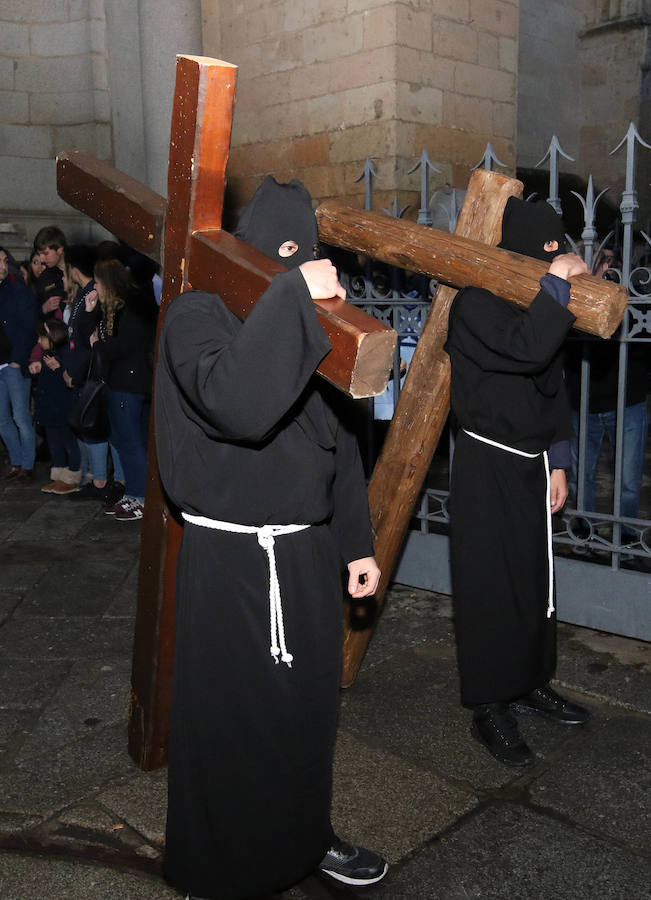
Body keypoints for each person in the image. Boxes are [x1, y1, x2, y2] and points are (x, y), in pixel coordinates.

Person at [155, 177, 387, 899]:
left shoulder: (309, 322)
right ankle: (219, 865)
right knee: (229, 720)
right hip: (229, 560)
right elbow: (239, 405)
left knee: (303, 715)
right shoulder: (195, 315)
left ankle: (304, 836)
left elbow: (340, 447)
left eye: (306, 257)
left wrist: (355, 545)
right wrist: (293, 299)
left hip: (308, 551)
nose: (300, 267)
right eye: (286, 256)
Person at [445, 197, 591, 768]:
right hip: (486, 463)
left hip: (531, 461)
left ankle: (530, 683)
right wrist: (556, 286)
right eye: (543, 253)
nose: (551, 261)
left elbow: (550, 385)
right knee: (489, 587)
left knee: (534, 583)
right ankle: (489, 707)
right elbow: (529, 351)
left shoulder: (539, 302)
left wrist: (558, 459)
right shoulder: (476, 305)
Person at [564, 246, 648, 540]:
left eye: (614, 261)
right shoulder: (576, 299)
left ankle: (624, 539)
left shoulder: (636, 301)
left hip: (628, 404)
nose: (608, 267)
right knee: (581, 478)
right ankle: (583, 535)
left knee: (628, 480)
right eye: (603, 260)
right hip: (584, 405)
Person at [90, 258, 156, 521]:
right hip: (119, 382)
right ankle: (133, 493)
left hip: (130, 384)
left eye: (97, 281)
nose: (94, 286)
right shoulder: (113, 310)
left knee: (130, 442)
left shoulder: (130, 309)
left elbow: (122, 346)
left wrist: (98, 345)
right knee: (122, 440)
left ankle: (140, 497)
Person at [29, 319, 81, 494]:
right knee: (54, 442)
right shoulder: (48, 354)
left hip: (63, 408)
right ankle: (59, 474)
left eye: (41, 337)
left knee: (68, 441)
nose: (38, 341)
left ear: (52, 337)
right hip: (49, 408)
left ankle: (72, 476)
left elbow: (71, 380)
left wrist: (60, 369)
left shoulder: (66, 354)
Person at [0, 246, 38, 483]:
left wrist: (17, 359)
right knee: (2, 419)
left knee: (21, 417)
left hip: (13, 364)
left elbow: (29, 327)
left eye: (4, 261)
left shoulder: (17, 291)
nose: (3, 266)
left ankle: (28, 464)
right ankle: (16, 461)